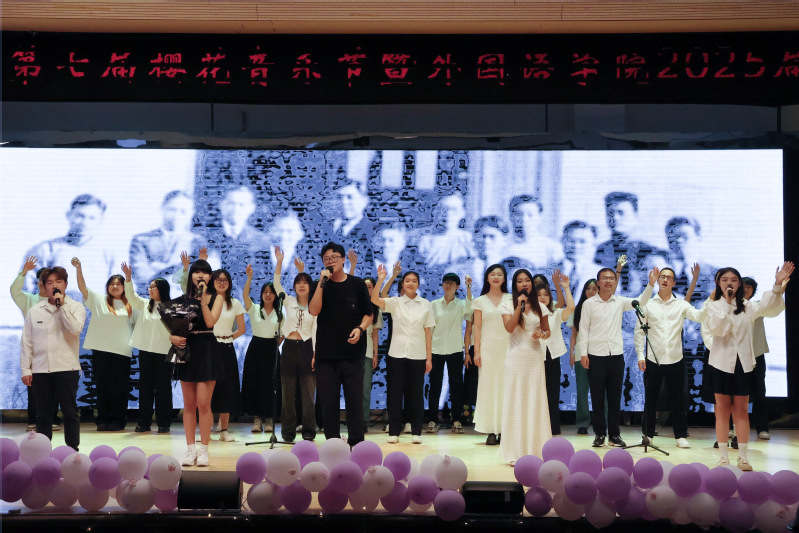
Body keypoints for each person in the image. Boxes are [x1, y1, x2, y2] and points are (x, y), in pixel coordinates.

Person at [703, 263, 792, 471]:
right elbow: (719, 329)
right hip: (720, 364)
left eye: (734, 280)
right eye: (725, 280)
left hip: (743, 364)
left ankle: (743, 457)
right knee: (722, 411)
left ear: (740, 284)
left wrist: (777, 285)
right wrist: (726, 303)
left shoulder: (748, 306)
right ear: (718, 283)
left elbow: (771, 308)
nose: (729, 283)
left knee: (741, 411)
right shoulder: (713, 306)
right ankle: (723, 457)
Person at [577, 265, 658, 447]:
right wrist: (583, 353)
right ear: (598, 282)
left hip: (616, 356)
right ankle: (599, 434)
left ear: (615, 282)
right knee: (597, 397)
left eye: (611, 278)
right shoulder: (589, 304)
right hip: (595, 355)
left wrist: (651, 284)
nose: (608, 281)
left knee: (615, 397)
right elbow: (584, 330)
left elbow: (641, 301)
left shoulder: (619, 301)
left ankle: (614, 435)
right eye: (604, 278)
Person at [309, 242, 373, 446]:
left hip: (353, 355)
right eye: (326, 259)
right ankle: (333, 446)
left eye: (334, 257)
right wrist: (321, 283)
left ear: (343, 259)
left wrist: (360, 328)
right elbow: (313, 310)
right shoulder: (319, 285)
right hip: (326, 357)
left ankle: (357, 444)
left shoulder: (357, 284)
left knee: (355, 402)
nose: (330, 261)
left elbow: (369, 314)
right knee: (329, 404)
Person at [634, 266, 705, 448]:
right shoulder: (648, 304)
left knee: (678, 399)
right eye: (662, 276)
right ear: (658, 280)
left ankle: (680, 435)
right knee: (651, 398)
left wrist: (711, 301)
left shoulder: (681, 305)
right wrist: (640, 355)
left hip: (675, 358)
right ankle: (648, 434)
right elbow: (639, 331)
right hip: (653, 358)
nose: (665, 280)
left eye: (669, 277)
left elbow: (698, 317)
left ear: (674, 282)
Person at [20, 266, 86, 450]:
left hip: (67, 368)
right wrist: (26, 369)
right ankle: (43, 451)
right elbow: (26, 342)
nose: (54, 285)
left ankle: (72, 451)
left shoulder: (76, 307)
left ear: (65, 284)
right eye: (49, 282)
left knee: (70, 413)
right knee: (42, 415)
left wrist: (62, 306)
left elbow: (75, 329)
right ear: (43, 286)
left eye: (58, 281)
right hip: (41, 369)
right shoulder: (35, 310)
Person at [170, 259, 224, 467]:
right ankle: (190, 449)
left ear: (209, 277)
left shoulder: (217, 298)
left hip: (207, 349)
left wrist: (202, 301)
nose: (200, 275)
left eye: (205, 272)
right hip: (187, 350)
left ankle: (204, 450)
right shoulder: (182, 300)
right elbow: (175, 328)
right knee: (189, 405)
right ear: (191, 276)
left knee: (203, 403)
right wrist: (172, 337)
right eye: (196, 272)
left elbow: (210, 322)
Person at [372, 266, 436, 444]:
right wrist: (382, 279)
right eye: (407, 281)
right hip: (396, 354)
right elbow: (375, 299)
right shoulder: (396, 302)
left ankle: (416, 431)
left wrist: (429, 358)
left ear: (418, 284)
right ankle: (394, 431)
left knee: (416, 394)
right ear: (403, 284)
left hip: (418, 354)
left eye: (414, 281)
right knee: (394, 393)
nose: (410, 284)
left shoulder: (426, 304)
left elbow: (428, 333)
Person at [72, 257, 135, 432]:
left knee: (120, 388)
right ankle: (103, 419)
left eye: (118, 284)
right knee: (102, 386)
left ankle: (118, 420)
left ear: (124, 287)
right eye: (111, 284)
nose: (115, 286)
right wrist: (78, 268)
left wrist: (128, 278)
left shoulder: (131, 305)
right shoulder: (99, 300)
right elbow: (83, 288)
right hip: (101, 350)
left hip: (122, 351)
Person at [498, 269, 552, 463]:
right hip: (516, 359)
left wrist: (542, 335)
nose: (524, 283)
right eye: (520, 281)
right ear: (515, 285)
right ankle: (515, 451)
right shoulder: (507, 305)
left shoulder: (540, 306)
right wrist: (518, 307)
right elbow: (509, 327)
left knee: (535, 400)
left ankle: (536, 449)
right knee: (517, 401)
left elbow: (547, 330)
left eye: (527, 280)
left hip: (535, 358)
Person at [25, 194, 117, 297]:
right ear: (69, 215)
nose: (84, 222)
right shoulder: (46, 250)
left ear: (101, 220)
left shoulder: (109, 254)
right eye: (80, 216)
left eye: (92, 218)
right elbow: (27, 291)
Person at [121, 263, 173, 434]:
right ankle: (144, 423)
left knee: (163, 388)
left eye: (153, 287)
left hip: (165, 352)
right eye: (149, 287)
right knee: (145, 387)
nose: (150, 289)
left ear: (162, 289)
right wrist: (128, 278)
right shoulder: (144, 304)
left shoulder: (172, 307)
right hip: (146, 350)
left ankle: (164, 423)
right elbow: (130, 296)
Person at [11, 256, 60, 432]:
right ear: (38, 282)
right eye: (42, 279)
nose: (45, 283)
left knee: (54, 385)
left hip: (55, 349)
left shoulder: (60, 301)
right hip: (33, 350)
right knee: (34, 386)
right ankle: (33, 420)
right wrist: (24, 272)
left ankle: (52, 418)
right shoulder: (29, 300)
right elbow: (14, 291)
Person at [273, 247, 318, 442]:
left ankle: (309, 431)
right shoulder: (288, 301)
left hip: (307, 347)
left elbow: (315, 331)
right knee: (288, 392)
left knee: (308, 393)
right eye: (298, 282)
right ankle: (288, 432)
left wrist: (315, 353)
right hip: (289, 347)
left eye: (305, 282)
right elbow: (276, 284)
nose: (302, 285)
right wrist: (280, 262)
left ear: (310, 286)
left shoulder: (315, 304)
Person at [129, 190, 202, 297]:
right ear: (162, 208)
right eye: (172, 210)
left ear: (191, 213)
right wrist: (176, 271)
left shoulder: (197, 243)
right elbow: (141, 276)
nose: (176, 215)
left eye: (183, 211)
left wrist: (157, 267)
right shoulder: (141, 240)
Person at [426, 273, 472, 434]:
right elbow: (429, 328)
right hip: (436, 349)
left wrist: (469, 287)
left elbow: (470, 306)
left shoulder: (461, 304)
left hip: (455, 349)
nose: (448, 285)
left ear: (457, 287)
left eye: (451, 283)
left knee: (456, 385)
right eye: (446, 282)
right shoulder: (434, 305)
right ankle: (432, 419)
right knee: (435, 385)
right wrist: (427, 353)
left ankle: (457, 420)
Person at [472, 264, 512, 446]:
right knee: (488, 389)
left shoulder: (511, 299)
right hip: (488, 350)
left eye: (499, 274)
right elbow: (477, 328)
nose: (496, 277)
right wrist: (477, 351)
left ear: (504, 279)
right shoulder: (480, 301)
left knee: (506, 388)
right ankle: (490, 430)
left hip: (508, 348)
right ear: (487, 278)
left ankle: (505, 430)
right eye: (492, 274)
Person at [241, 264, 282, 434]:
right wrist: (249, 278)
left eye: (271, 292)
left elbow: (283, 334)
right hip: (256, 348)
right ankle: (257, 419)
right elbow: (245, 296)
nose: (268, 295)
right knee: (254, 383)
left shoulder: (280, 312)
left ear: (275, 295)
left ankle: (269, 419)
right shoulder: (255, 309)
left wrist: (274, 345)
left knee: (270, 384)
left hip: (271, 349)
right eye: (265, 292)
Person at [204, 185, 270, 289]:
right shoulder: (204, 237)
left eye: (241, 204)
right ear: (221, 204)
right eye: (231, 203)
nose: (236, 209)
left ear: (251, 208)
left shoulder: (261, 241)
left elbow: (263, 281)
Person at [593, 192, 659, 292]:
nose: (615, 218)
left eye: (621, 212)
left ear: (635, 215)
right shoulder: (601, 251)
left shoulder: (649, 252)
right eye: (610, 213)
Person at [209, 268, 245, 442]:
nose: (222, 282)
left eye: (225, 280)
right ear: (213, 281)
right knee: (208, 388)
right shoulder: (207, 301)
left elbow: (242, 329)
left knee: (227, 388)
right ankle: (207, 428)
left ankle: (224, 430)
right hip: (210, 348)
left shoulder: (235, 303)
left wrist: (227, 337)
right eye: (218, 279)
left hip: (227, 348)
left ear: (229, 283)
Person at [538, 270, 575, 436]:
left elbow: (571, 307)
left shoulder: (555, 313)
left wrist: (565, 288)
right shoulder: (528, 314)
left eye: (546, 294)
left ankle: (552, 427)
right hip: (533, 357)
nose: (543, 297)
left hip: (551, 356)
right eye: (539, 295)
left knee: (552, 393)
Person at [742, 276, 772, 441]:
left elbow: (773, 303)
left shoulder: (758, 306)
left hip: (757, 354)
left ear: (753, 291)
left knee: (759, 392)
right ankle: (732, 427)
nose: (745, 290)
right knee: (735, 392)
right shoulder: (731, 306)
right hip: (737, 356)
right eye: (743, 287)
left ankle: (762, 428)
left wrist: (778, 286)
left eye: (749, 287)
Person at [569, 279, 598, 435]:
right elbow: (574, 334)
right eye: (588, 288)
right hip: (581, 353)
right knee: (581, 390)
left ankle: (602, 421)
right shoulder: (578, 309)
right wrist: (572, 353)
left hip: (599, 353)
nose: (591, 292)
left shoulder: (602, 307)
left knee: (601, 392)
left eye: (594, 289)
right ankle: (582, 423)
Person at [419, 193, 475, 268]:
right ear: (435, 212)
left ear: (463, 213)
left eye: (454, 209)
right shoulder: (425, 240)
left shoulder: (468, 239)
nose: (448, 214)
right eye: (443, 209)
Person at [508, 195, 564, 271]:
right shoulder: (503, 246)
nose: (524, 219)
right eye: (518, 214)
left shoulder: (552, 248)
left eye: (530, 215)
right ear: (511, 216)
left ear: (539, 217)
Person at [331, 180, 375, 273]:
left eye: (349, 197)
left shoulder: (372, 232)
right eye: (339, 197)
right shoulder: (329, 229)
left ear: (364, 201)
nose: (344, 202)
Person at [362, 275, 383, 433]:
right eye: (365, 287)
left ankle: (363, 421)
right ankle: (353, 420)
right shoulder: (355, 305)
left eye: (369, 287)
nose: (366, 289)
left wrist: (375, 354)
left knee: (365, 389)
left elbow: (375, 334)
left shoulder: (376, 309)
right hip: (351, 352)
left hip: (367, 351)